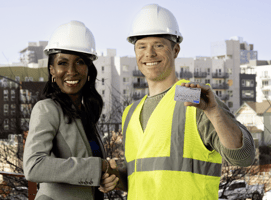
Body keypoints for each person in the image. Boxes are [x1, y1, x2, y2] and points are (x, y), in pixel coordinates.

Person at [99, 4, 256, 200]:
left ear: (175, 50)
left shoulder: (194, 98)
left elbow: (243, 157)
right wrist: (116, 179)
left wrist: (214, 112)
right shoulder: (130, 112)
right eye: (142, 46)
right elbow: (143, 177)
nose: (149, 53)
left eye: (158, 45)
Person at [23, 21, 118, 200]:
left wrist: (104, 180)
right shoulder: (47, 109)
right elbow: (33, 166)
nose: (71, 71)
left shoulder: (86, 112)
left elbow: (88, 174)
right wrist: (97, 168)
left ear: (89, 69)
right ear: (52, 70)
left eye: (80, 62)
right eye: (63, 63)